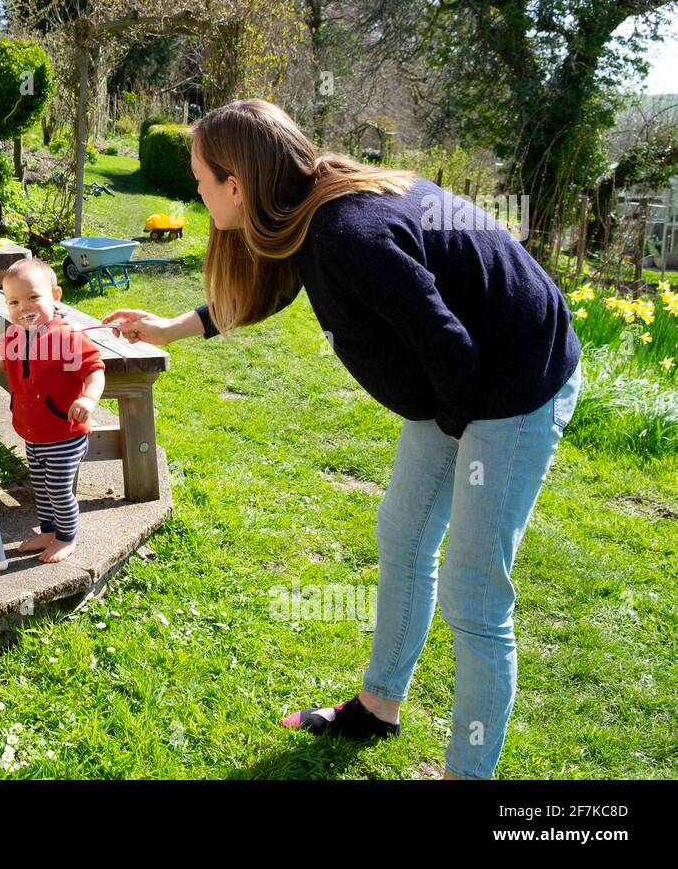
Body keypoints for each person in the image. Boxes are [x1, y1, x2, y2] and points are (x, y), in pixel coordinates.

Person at [103, 99, 581, 780]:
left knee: (474, 593)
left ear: (236, 185)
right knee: (405, 536)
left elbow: (453, 350)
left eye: (200, 177)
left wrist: (457, 437)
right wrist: (172, 328)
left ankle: (467, 774)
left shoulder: (349, 231)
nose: (197, 190)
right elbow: (275, 286)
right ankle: (377, 708)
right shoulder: (308, 206)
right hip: (466, 379)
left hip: (515, 381)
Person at [0, 258, 106, 563]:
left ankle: (66, 537)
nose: (24, 307)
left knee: (59, 490)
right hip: (32, 432)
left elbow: (94, 370)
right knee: (42, 489)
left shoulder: (66, 335)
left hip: (63, 433)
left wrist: (88, 399)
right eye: (14, 301)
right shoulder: (14, 336)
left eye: (33, 297)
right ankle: (48, 530)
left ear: (55, 296)